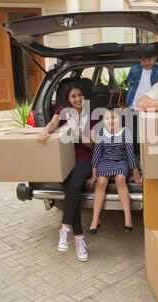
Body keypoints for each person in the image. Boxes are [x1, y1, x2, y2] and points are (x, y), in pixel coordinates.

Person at [37, 82, 98, 262]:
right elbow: (52, 123)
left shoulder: (91, 114)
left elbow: (91, 144)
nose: (78, 99)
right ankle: (79, 239)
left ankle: (64, 229)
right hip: (63, 158)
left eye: (80, 95)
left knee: (73, 187)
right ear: (68, 99)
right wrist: (45, 132)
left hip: (83, 158)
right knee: (73, 191)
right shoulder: (62, 112)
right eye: (73, 96)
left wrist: (76, 131)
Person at [87, 105, 141, 234]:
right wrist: (94, 174)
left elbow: (130, 154)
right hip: (105, 162)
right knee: (101, 182)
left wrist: (135, 172)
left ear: (120, 118)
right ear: (103, 121)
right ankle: (95, 219)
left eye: (114, 117)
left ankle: (128, 218)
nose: (111, 121)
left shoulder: (125, 132)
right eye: (107, 118)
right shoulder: (101, 133)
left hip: (121, 161)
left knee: (121, 179)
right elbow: (96, 154)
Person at [125, 43, 158, 110]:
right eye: (143, 60)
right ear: (139, 59)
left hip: (151, 109)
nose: (146, 63)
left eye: (149, 59)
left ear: (155, 57)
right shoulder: (133, 69)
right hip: (132, 108)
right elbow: (129, 85)